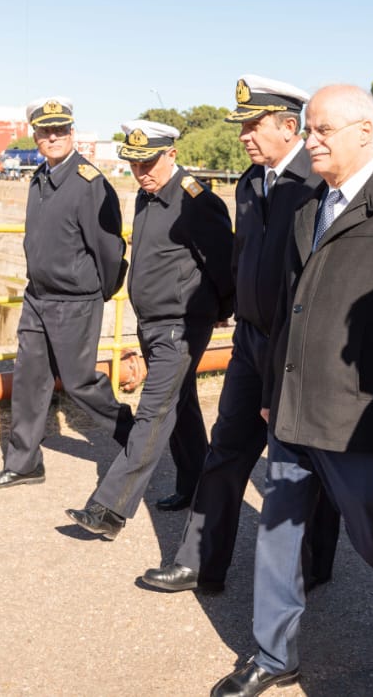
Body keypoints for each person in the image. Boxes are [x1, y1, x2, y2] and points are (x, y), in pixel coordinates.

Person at [212, 84, 373, 697]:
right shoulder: (307, 209)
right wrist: (273, 390)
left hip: (363, 422)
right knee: (277, 534)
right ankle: (275, 655)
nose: (312, 140)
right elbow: (287, 315)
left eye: (324, 130)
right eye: (309, 128)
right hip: (295, 410)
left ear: (365, 133)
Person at [142, 75, 340, 594]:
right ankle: (199, 561)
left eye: (255, 126)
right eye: (244, 127)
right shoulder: (250, 182)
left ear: (289, 127)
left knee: (304, 462)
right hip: (252, 343)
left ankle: (314, 564)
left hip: (299, 348)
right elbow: (240, 256)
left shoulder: (318, 184)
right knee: (225, 452)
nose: (245, 136)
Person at [66, 120, 234, 540]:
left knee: (153, 411)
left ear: (172, 155)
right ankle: (196, 485)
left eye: (150, 163)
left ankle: (109, 508)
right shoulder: (147, 196)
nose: (143, 172)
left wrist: (222, 310)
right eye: (136, 164)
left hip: (180, 325)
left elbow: (223, 264)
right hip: (152, 322)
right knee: (182, 407)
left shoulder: (196, 200)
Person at [0, 97, 132, 489]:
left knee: (80, 382)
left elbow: (110, 250)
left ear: (72, 133)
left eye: (60, 130)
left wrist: (93, 291)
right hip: (38, 298)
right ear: (35, 136)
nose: (53, 137)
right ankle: (24, 461)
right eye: (45, 131)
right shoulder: (39, 178)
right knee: (29, 380)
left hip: (74, 301)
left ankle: (139, 440)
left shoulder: (89, 184)